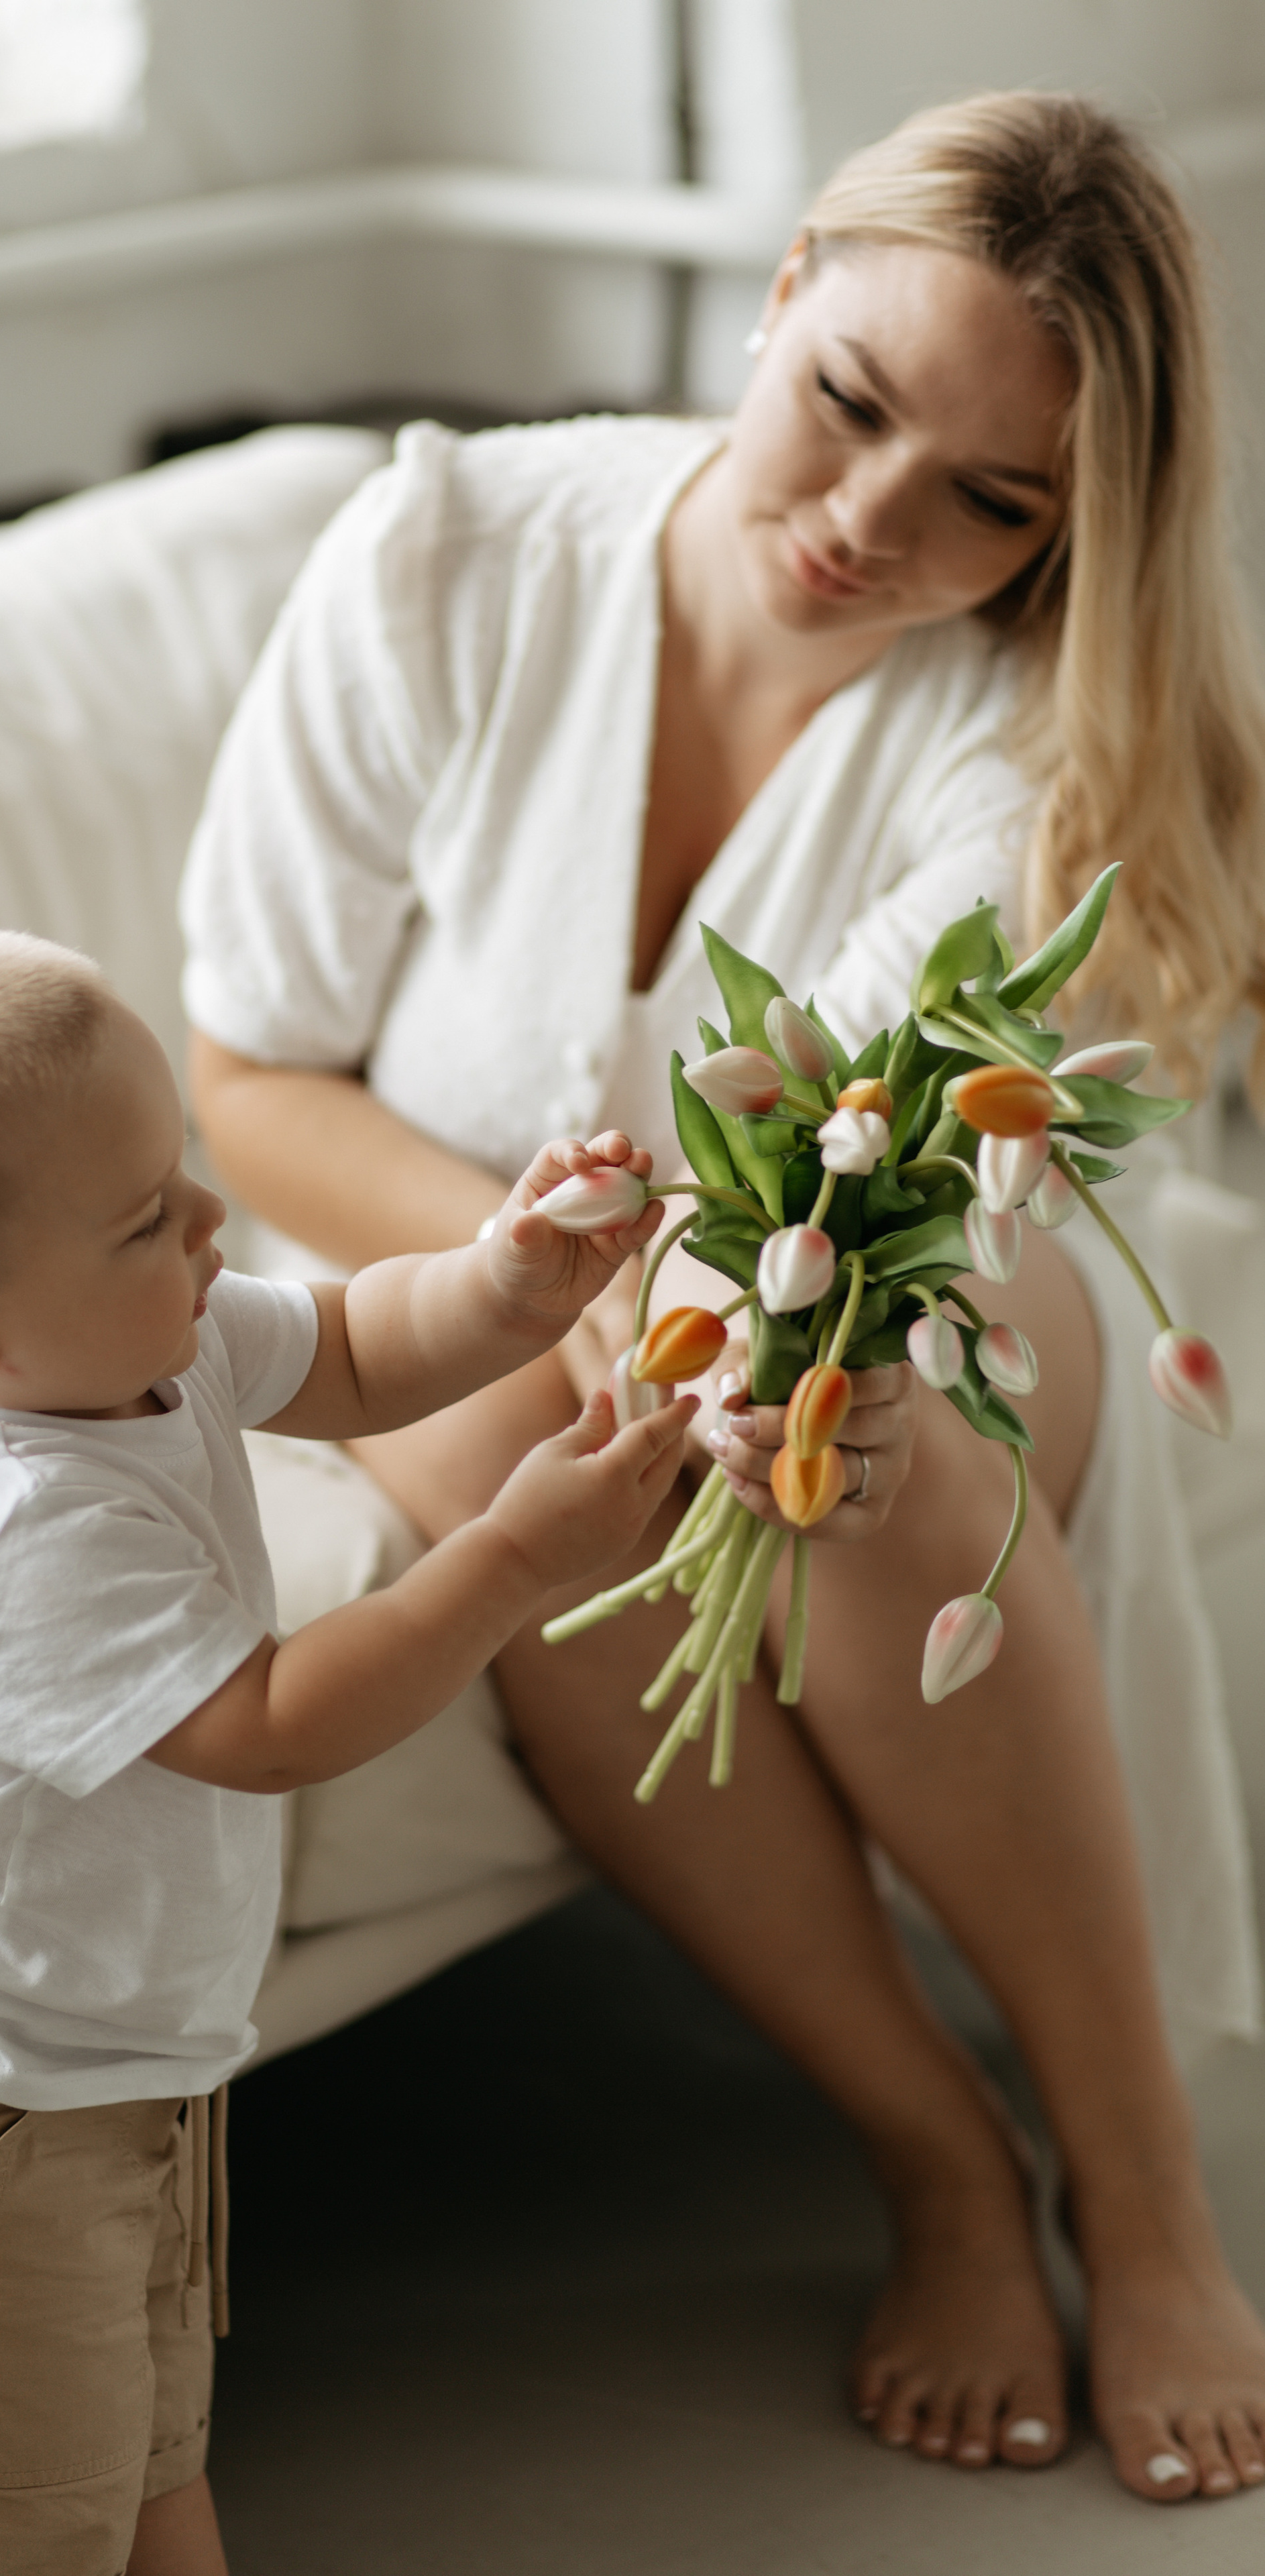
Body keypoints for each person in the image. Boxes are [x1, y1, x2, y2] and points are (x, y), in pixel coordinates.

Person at [180, 91, 1265, 2504]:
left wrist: (699, 1315)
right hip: (462, 1256)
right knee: (502, 1458)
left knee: (860, 1449)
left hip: (880, 1289)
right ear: (778, 293)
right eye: (851, 404)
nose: (874, 525)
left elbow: (844, 1193)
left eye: (994, 498)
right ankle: (937, 2158)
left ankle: (1148, 2189)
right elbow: (248, 1066)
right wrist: (530, 1283)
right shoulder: (452, 547)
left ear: (1078, 525)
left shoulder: (1032, 745)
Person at [0, 920, 692, 2576]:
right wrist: (515, 1558)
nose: (205, 1223)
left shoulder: (120, 1351)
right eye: (144, 1217)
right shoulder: (11, 1521)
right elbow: (267, 1724)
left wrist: (506, 1280)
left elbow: (361, 1350)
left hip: (114, 2073)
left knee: (153, 2478)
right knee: (17, 2534)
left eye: (176, 1174)